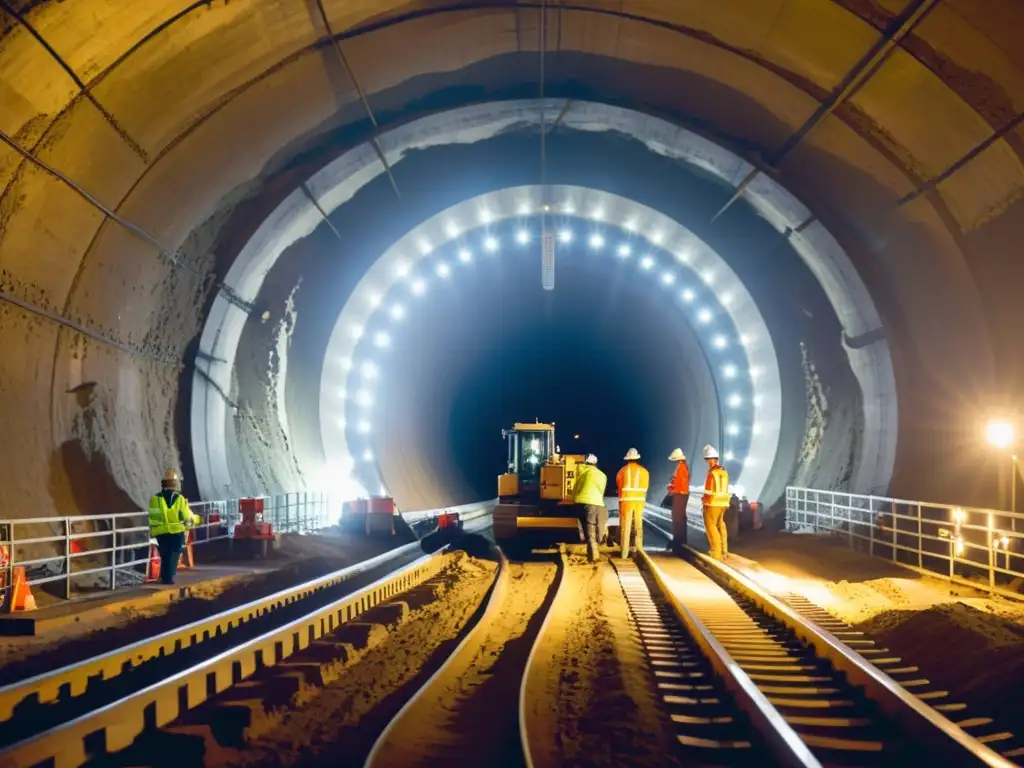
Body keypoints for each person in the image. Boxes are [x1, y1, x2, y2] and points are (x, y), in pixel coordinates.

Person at [148, 469, 200, 585]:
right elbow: (187, 516)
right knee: (174, 555)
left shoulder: (154, 500)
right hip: (176, 532)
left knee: (165, 556)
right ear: (176, 483)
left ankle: (164, 577)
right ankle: (168, 579)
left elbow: (153, 517)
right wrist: (197, 519)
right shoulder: (180, 499)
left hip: (160, 533)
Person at [572, 454, 608, 563]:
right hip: (597, 502)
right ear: (596, 464)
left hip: (582, 502)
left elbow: (576, 487)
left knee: (588, 527)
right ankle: (591, 554)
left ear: (586, 463)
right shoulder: (603, 475)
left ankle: (594, 554)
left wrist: (574, 498)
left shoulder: (583, 472)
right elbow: (602, 491)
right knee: (592, 526)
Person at [616, 448, 649, 558]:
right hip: (639, 503)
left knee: (626, 528)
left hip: (626, 502)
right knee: (638, 527)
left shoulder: (622, 471)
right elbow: (646, 487)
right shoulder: (644, 472)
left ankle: (624, 553)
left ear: (628, 459)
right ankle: (638, 552)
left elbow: (619, 485)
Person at [701, 446, 731, 560]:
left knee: (711, 526)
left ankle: (715, 552)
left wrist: (704, 501)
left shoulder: (711, 473)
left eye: (707, 460)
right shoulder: (724, 472)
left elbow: (708, 491)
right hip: (723, 503)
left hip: (712, 503)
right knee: (720, 526)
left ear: (709, 459)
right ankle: (724, 551)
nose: (707, 462)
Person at [667, 448, 690, 554]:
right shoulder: (681, 467)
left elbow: (681, 485)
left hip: (680, 496)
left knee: (678, 519)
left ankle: (679, 543)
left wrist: (672, 491)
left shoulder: (681, 468)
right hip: (680, 495)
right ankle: (679, 541)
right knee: (678, 519)